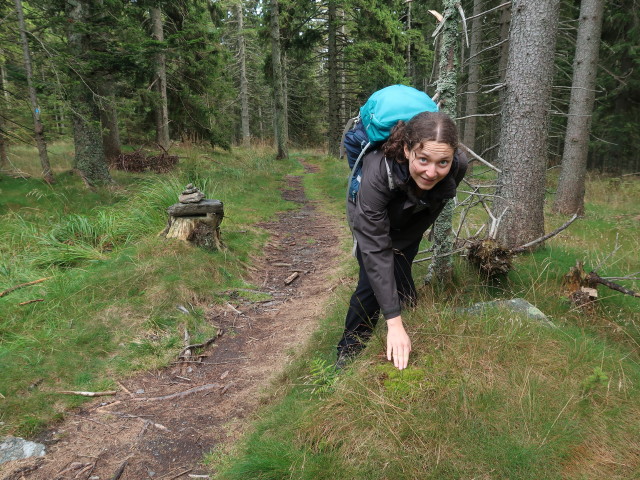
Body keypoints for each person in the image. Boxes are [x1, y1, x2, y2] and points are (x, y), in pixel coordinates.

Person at [337, 111, 468, 370]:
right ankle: (348, 354)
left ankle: (414, 323)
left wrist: (402, 244)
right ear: (407, 149)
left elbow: (433, 207)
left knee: (400, 268)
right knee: (370, 283)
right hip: (370, 213)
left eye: (443, 162)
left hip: (410, 214)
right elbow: (376, 249)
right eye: (423, 159)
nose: (432, 172)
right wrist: (393, 323)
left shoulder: (458, 166)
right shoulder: (378, 170)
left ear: (453, 156)